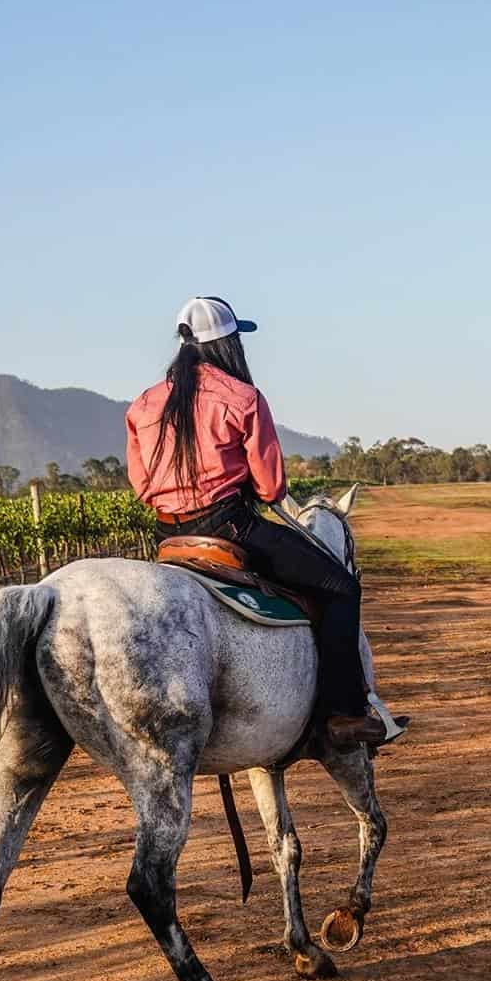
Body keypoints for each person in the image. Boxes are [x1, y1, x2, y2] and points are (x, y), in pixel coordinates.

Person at [126, 296, 404, 748]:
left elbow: (141, 484)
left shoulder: (143, 404)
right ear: (228, 344)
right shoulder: (242, 398)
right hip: (229, 527)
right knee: (340, 588)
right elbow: (272, 488)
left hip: (167, 535)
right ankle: (345, 715)